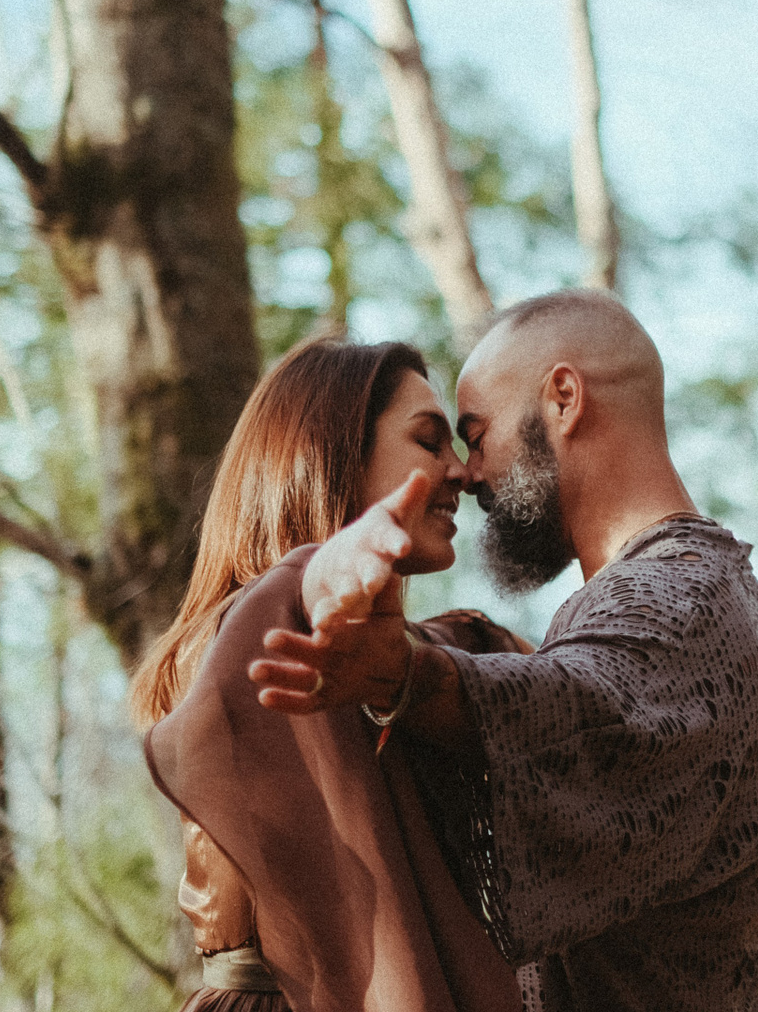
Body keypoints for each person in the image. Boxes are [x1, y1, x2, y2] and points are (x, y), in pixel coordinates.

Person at [250, 290, 758, 1012]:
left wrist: (405, 675)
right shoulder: (701, 586)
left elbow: (583, 705)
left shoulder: (678, 595)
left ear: (564, 398)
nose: (468, 473)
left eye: (476, 436)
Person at [135, 338, 529, 1012]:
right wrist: (315, 572)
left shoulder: (405, 657)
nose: (461, 473)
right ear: (333, 457)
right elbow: (269, 630)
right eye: (428, 441)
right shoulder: (253, 633)